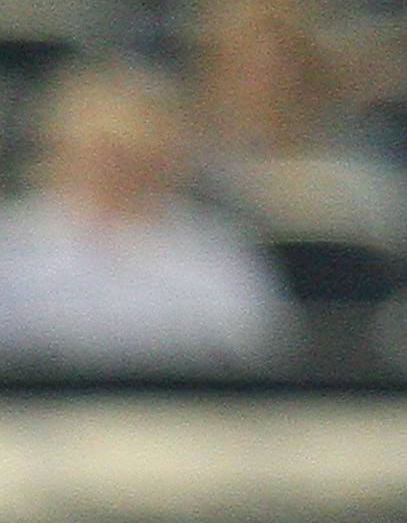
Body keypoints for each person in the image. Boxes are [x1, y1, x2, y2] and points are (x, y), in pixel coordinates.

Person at [0, 57, 289, 373]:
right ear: (60, 145)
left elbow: (257, 347)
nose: (113, 166)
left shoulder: (215, 250)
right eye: (100, 147)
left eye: (130, 151)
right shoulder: (12, 243)